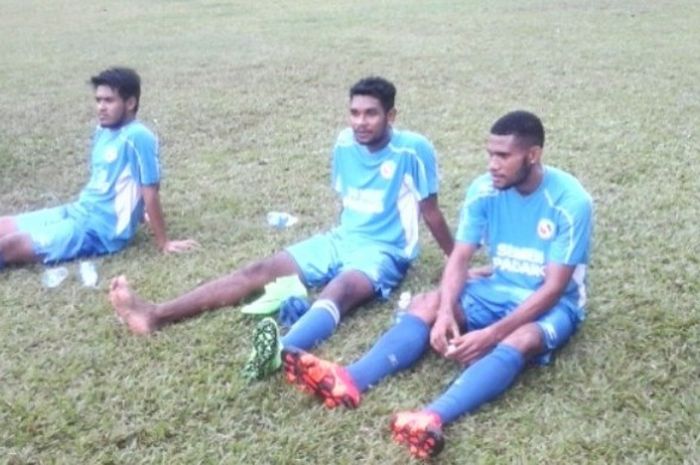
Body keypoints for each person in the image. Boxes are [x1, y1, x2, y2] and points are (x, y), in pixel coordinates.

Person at [282, 110, 594, 459]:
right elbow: (459, 258)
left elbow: (553, 289)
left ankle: (431, 417)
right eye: (490, 153)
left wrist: (491, 335)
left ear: (533, 155)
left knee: (522, 338)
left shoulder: (570, 202)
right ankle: (350, 380)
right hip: (496, 288)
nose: (492, 164)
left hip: (553, 303)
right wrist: (446, 311)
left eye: (503, 156)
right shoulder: (483, 190)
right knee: (428, 303)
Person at [109, 76, 454, 381]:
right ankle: (155, 314)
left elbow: (431, 213)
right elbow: (348, 198)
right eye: (355, 113)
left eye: (371, 114)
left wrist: (456, 261)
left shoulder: (413, 149)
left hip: (384, 250)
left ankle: (278, 350)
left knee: (342, 287)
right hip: (340, 238)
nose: (360, 122)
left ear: (390, 116)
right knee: (259, 269)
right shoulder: (344, 143)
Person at [0, 67, 197, 271]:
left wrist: (163, 242)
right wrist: (139, 214)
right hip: (77, 211)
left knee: (9, 245)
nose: (101, 107)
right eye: (98, 100)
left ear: (130, 103)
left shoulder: (138, 137)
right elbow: (119, 181)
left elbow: (149, 191)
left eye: (109, 101)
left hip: (98, 231)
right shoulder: (102, 131)